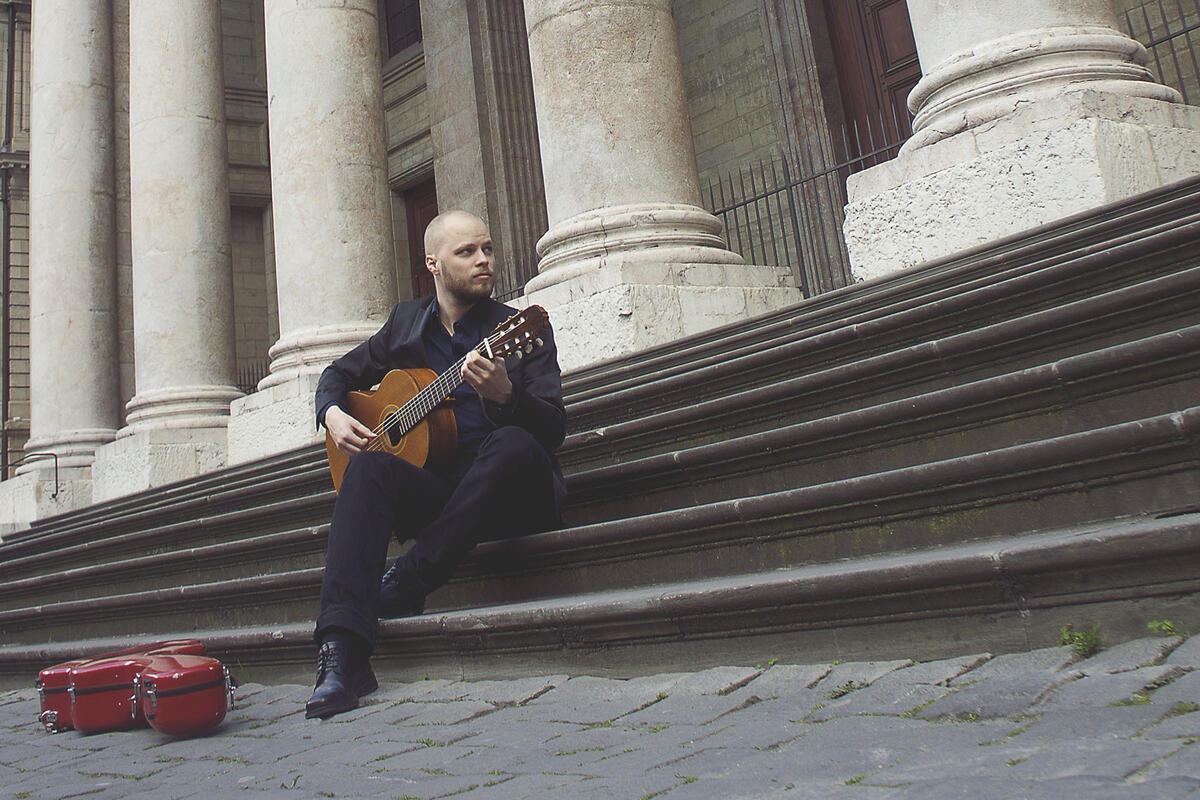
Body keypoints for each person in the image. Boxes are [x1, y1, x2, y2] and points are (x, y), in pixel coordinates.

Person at [305, 210, 566, 720]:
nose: (483, 261)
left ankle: (407, 581)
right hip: (445, 497)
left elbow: (553, 430)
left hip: (512, 495)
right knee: (367, 467)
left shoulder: (519, 328)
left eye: (487, 249)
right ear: (433, 263)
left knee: (512, 442)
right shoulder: (406, 325)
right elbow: (337, 374)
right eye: (467, 252)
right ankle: (341, 652)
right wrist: (332, 415)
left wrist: (507, 395)